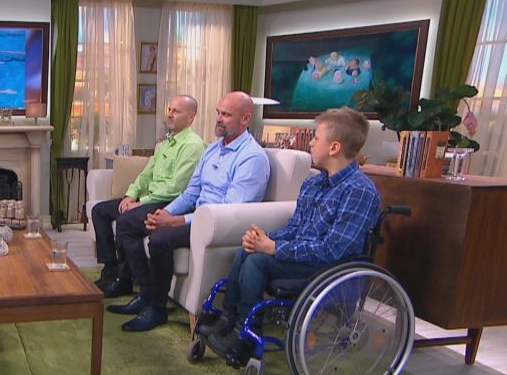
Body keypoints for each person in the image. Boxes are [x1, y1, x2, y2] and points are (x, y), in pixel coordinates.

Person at [200, 106, 381, 355]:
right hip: (305, 256)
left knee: (258, 262)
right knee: (246, 251)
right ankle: (227, 318)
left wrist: (275, 248)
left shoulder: (359, 190)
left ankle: (245, 334)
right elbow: (296, 227)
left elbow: (334, 249)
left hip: (329, 267)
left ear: (334, 147)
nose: (311, 143)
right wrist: (264, 239)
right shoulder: (314, 182)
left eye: (316, 137)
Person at [105, 91, 271, 332]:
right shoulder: (213, 150)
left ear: (246, 119)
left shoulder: (251, 158)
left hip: (221, 224)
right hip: (199, 214)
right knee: (135, 224)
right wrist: (164, 214)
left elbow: (228, 210)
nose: (219, 119)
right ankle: (141, 292)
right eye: (218, 113)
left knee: (160, 239)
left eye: (226, 115)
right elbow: (192, 192)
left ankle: (157, 310)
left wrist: (176, 221)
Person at [91, 94, 205, 289]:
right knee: (100, 211)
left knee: (125, 221)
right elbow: (145, 174)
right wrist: (130, 195)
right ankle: (111, 271)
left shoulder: (192, 146)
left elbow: (176, 187)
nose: (170, 114)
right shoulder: (164, 144)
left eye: (176, 111)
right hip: (150, 198)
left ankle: (136, 282)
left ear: (190, 117)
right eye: (169, 109)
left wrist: (141, 203)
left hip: (169, 203)